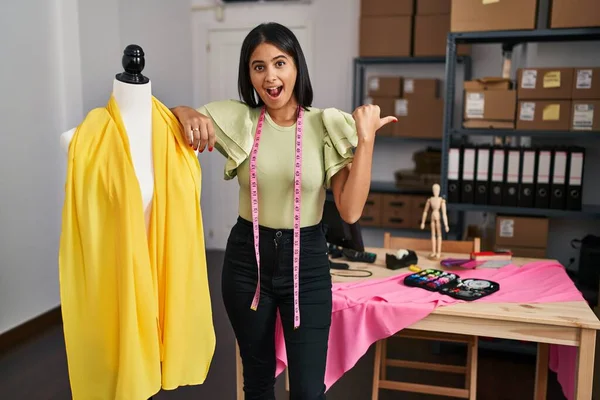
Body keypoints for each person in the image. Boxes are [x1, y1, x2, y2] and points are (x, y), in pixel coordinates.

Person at [170, 22, 396, 399]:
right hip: (247, 260)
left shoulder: (325, 125)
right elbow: (178, 118)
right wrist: (182, 111)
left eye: (280, 63)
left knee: (308, 390)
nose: (270, 76)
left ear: (296, 67)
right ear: (249, 75)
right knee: (257, 381)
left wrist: (367, 140)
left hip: (305, 262)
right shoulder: (241, 120)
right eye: (258, 67)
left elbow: (351, 210)